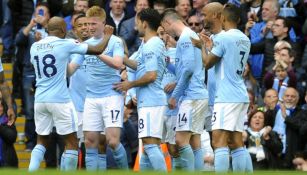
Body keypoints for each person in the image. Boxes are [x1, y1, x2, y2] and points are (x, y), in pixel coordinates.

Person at [28, 16, 114, 171]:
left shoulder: (34, 46)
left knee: (41, 140)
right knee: (72, 142)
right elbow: (97, 49)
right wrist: (107, 35)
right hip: (60, 99)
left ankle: (31, 171)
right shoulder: (65, 43)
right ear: (62, 30)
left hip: (40, 99)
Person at [114, 8, 168, 171]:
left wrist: (129, 85)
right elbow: (138, 65)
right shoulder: (149, 44)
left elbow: (151, 75)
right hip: (150, 101)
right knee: (147, 146)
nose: (135, 26)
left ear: (144, 23)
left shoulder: (152, 45)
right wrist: (121, 58)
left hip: (152, 101)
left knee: (151, 145)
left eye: (137, 22)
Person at [200, 3, 252, 172]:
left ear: (222, 18)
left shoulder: (223, 38)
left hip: (226, 96)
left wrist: (202, 47)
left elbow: (207, 63)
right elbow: (226, 58)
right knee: (236, 142)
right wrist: (211, 47)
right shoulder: (245, 39)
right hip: (240, 94)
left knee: (218, 141)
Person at [161, 8, 209, 171]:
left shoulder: (185, 38)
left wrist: (175, 95)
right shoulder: (190, 36)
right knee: (195, 143)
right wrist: (168, 64)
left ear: (167, 22)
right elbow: (186, 69)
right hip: (198, 95)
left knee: (181, 141)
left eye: (164, 27)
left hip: (192, 97)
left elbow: (188, 70)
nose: (166, 32)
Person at [82, 6, 128, 171]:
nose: (90, 27)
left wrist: (96, 51)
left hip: (111, 96)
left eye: (94, 23)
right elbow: (72, 68)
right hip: (91, 98)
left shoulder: (115, 41)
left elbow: (118, 63)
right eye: (87, 24)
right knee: (89, 142)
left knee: (113, 141)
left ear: (103, 23)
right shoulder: (85, 44)